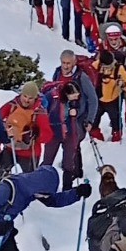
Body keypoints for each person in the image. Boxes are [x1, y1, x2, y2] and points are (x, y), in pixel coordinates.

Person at [40, 51, 97, 187]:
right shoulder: (57, 73)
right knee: (53, 153)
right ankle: (45, 183)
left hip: (76, 120)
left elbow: (93, 99)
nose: (65, 66)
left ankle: (70, 181)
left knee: (71, 151)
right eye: (63, 63)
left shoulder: (81, 77)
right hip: (57, 120)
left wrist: (89, 120)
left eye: (68, 63)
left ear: (74, 63)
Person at [0, 82, 52, 171]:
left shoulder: (39, 113)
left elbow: (47, 137)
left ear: (35, 98)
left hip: (30, 154)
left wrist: (37, 134)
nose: (26, 100)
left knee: (28, 181)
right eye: (25, 96)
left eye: (30, 98)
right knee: (0, 177)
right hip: (9, 148)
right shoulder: (11, 105)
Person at [91, 45, 126, 144]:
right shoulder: (96, 65)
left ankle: (116, 140)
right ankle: (97, 140)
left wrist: (122, 84)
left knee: (115, 121)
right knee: (94, 121)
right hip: (99, 99)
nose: (109, 68)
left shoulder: (119, 68)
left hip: (113, 100)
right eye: (106, 66)